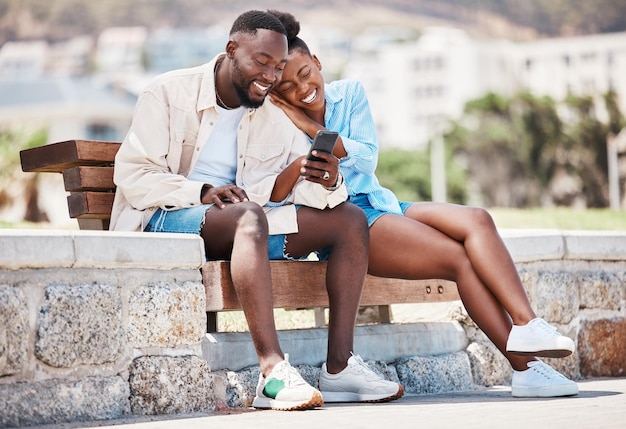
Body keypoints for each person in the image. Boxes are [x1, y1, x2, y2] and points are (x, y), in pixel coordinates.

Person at [267, 10, 579, 398]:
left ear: (316, 62)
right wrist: (295, 123)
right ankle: (527, 370)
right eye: (289, 87)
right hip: (349, 221)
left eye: (305, 74)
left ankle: (528, 325)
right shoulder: (276, 121)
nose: (303, 89)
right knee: (458, 259)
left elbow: (365, 159)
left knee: (477, 219)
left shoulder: (350, 94)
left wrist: (309, 124)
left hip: (382, 201)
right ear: (277, 94)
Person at [109, 10, 403, 411]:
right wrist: (203, 190)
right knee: (249, 216)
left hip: (245, 223)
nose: (270, 75)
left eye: (278, 66)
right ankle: (272, 372)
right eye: (261, 62)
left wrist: (324, 179)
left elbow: (281, 188)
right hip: (166, 217)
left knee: (349, 220)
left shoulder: (270, 109)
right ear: (232, 49)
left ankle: (339, 368)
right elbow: (134, 175)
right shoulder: (168, 92)